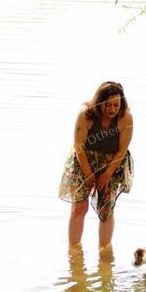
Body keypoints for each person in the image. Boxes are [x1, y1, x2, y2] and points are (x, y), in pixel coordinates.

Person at [58, 81, 134, 247]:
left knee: (107, 209)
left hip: (112, 162)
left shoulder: (125, 117)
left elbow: (122, 151)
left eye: (116, 105)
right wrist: (88, 173)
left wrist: (107, 174)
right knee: (79, 207)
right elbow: (79, 147)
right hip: (82, 159)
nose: (112, 109)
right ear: (99, 103)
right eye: (108, 105)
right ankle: (74, 252)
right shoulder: (85, 114)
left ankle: (104, 250)